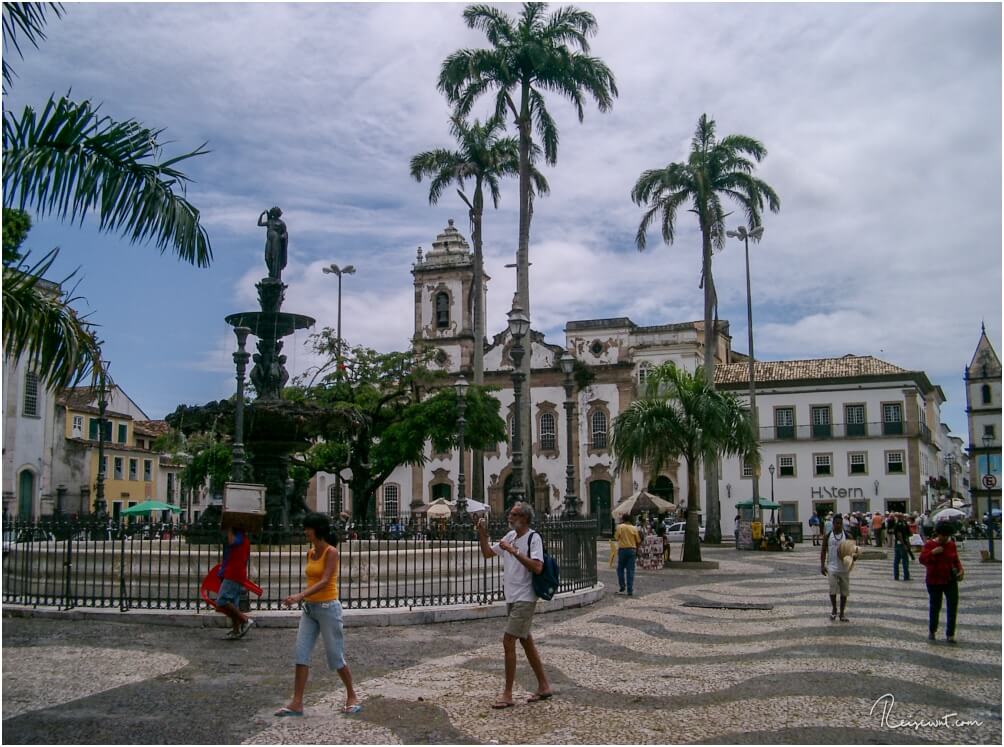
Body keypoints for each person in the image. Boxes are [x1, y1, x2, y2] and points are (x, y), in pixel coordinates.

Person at [276, 512, 359, 717]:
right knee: (300, 654)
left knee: (335, 657)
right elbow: (313, 580)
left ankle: (352, 695)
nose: (305, 531)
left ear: (317, 529)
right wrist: (303, 598)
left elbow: (324, 580)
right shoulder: (310, 552)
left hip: (328, 609)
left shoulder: (331, 552)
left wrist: (299, 595)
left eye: (308, 528)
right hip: (310, 609)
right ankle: (297, 703)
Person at [475, 502, 552, 709]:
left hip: (526, 597)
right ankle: (544, 686)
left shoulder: (533, 538)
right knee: (526, 641)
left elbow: (537, 567)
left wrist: (513, 551)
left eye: (515, 514)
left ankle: (508, 694)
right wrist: (483, 533)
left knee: (508, 641)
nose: (510, 516)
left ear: (525, 519)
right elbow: (487, 553)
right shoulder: (510, 537)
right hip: (512, 596)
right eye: (510, 513)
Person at [919, 521, 965, 643]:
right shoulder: (929, 545)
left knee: (952, 606)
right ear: (938, 534)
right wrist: (933, 553)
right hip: (934, 581)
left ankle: (950, 634)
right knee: (935, 607)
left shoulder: (951, 545)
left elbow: (955, 560)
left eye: (947, 536)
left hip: (950, 580)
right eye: (943, 535)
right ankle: (932, 631)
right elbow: (922, 559)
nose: (945, 538)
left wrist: (961, 570)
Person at [215, 526, 255, 640]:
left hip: (233, 574)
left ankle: (245, 620)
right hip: (237, 573)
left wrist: (229, 528)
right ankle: (236, 630)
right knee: (233, 603)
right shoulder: (245, 538)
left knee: (221, 601)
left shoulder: (239, 536)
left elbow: (232, 541)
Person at [820, 513, 851, 622]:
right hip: (832, 567)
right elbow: (823, 550)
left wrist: (852, 558)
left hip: (844, 568)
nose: (838, 525)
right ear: (833, 524)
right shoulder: (828, 536)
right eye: (836, 523)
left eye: (840, 523)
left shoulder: (847, 536)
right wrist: (822, 565)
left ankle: (842, 613)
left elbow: (853, 552)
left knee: (844, 592)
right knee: (832, 590)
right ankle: (834, 609)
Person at [614, 513, 641, 596]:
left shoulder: (620, 527)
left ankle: (622, 585)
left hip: (622, 550)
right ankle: (630, 590)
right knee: (630, 570)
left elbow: (616, 537)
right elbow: (638, 540)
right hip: (632, 550)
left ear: (623, 519)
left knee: (620, 569)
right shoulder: (634, 528)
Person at [892, 515, 914, 581]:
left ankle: (896, 576)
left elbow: (908, 533)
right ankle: (906, 576)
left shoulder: (897, 524)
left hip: (898, 544)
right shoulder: (902, 524)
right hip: (902, 544)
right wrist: (904, 544)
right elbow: (900, 535)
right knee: (905, 560)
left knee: (896, 561)